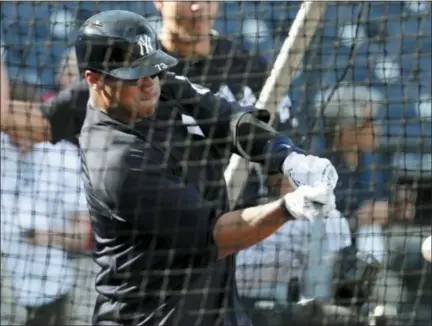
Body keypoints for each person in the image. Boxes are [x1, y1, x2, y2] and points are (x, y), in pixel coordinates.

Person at [75, 10, 338, 326]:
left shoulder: (159, 84)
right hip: (152, 317)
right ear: (94, 78)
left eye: (153, 70)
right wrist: (288, 208)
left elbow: (225, 118)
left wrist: (289, 157)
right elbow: (215, 235)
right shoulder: (117, 161)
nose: (149, 84)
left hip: (213, 307)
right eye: (135, 76)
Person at [1, 1, 296, 204]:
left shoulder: (250, 67)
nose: (199, 8)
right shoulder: (128, 67)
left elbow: (280, 159)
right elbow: (34, 123)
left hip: (243, 225)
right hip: (159, 237)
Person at [313, 84, 431, 322]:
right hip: (334, 267)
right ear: (343, 131)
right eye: (367, 123)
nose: (375, 129)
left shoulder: (372, 161)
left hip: (374, 252)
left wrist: (397, 210)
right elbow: (311, 233)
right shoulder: (318, 168)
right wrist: (357, 220)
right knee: (388, 293)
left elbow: (383, 210)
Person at [0, 132, 89, 326]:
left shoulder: (64, 156)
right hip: (7, 287)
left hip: (49, 290)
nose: (20, 137)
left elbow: (82, 235)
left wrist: (47, 235)